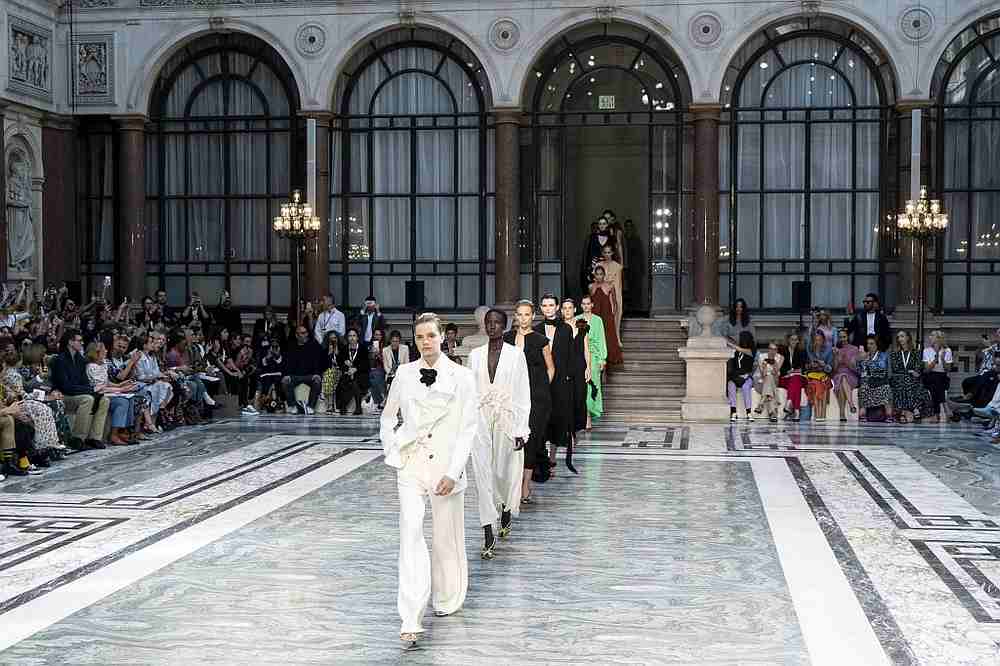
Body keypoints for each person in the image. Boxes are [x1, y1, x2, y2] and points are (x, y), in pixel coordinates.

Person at [379, 312, 478, 648]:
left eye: (431, 336)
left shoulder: (463, 377)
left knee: (445, 538)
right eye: (420, 336)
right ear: (415, 339)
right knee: (411, 533)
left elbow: (468, 429)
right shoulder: (404, 375)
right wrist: (393, 445)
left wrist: (454, 471)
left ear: (442, 337)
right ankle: (410, 617)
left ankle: (448, 596)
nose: (426, 341)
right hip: (411, 465)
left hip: (446, 470)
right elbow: (388, 416)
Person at [468, 309, 531, 560]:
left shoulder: (516, 356)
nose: (492, 326)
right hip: (480, 420)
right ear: (484, 325)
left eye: (497, 323)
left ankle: (505, 509)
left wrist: (520, 429)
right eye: (489, 322)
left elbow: (522, 393)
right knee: (483, 476)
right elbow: (467, 391)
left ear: (505, 327)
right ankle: (487, 533)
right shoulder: (474, 356)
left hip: (506, 420)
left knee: (505, 473)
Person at [504, 300, 554, 503]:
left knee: (531, 440)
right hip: (512, 397)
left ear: (533, 316)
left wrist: (543, 387)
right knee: (512, 439)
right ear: (515, 316)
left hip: (537, 398)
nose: (523, 318)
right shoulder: (506, 339)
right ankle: (513, 483)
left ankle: (525, 484)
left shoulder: (541, 340)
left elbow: (550, 367)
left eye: (527, 314)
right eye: (519, 314)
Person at [49, 329, 111, 450]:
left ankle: (94, 438)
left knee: (104, 400)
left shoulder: (80, 360)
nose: (82, 343)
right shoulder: (59, 360)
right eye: (79, 340)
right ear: (70, 342)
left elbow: (85, 382)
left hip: (77, 393)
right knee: (87, 399)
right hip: (64, 395)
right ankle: (78, 438)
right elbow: (65, 386)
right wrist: (91, 390)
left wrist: (92, 390)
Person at [535, 294, 574, 476]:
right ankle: (541, 457)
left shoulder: (566, 329)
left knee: (557, 418)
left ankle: (552, 458)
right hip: (541, 380)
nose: (548, 308)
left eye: (551, 305)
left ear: (557, 307)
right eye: (545, 305)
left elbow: (570, 356)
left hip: (560, 381)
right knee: (542, 418)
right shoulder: (535, 330)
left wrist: (570, 380)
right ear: (541, 308)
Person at [85, 342, 141, 446]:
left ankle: (123, 430)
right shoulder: (91, 367)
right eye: (103, 350)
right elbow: (100, 387)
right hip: (100, 394)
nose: (106, 351)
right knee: (122, 402)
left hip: (107, 391)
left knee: (131, 398)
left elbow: (106, 382)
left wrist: (120, 386)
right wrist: (121, 390)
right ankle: (114, 435)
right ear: (96, 353)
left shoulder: (103, 364)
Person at [561, 298, 590, 473]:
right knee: (566, 400)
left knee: (579, 399)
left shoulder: (581, 325)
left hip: (579, 367)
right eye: (564, 308)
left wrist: (589, 368)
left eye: (570, 308)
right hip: (564, 368)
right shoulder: (558, 327)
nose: (567, 310)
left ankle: (575, 430)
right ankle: (568, 433)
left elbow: (586, 348)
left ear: (574, 309)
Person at [576, 294, 607, 428]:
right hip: (579, 355)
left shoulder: (598, 320)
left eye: (588, 303)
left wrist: (602, 358)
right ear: (581, 305)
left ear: (592, 305)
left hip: (594, 356)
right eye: (584, 304)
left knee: (593, 384)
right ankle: (584, 413)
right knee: (581, 385)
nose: (586, 306)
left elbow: (601, 338)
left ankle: (590, 412)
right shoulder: (577, 319)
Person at [281, 325, 326, 415]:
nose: (303, 335)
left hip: (310, 376)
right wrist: (286, 375)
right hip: (295, 376)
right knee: (285, 381)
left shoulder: (314, 345)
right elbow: (285, 363)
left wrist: (317, 374)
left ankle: (310, 407)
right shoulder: (291, 346)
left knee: (317, 381)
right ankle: (292, 406)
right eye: (300, 333)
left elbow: (320, 362)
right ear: (296, 335)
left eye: (305, 333)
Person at [890, 330, 932, 423]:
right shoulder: (895, 354)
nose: (899, 339)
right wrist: (910, 371)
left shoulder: (916, 352)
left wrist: (914, 372)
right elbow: (895, 368)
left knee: (912, 384)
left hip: (913, 379)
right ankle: (915, 410)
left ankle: (904, 412)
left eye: (902, 336)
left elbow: (917, 367)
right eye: (898, 337)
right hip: (899, 378)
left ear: (908, 338)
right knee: (905, 382)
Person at [589, 265, 623, 365]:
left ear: (604, 275)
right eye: (597, 274)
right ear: (594, 275)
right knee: (596, 336)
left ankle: (609, 358)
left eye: (601, 274)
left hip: (607, 315)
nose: (599, 276)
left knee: (608, 336)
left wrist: (613, 315)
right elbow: (589, 302)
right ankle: (596, 356)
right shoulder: (591, 287)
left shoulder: (610, 286)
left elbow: (615, 302)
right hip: (595, 314)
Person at [857, 335, 893, 421]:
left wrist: (869, 363)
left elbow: (882, 368)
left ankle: (889, 415)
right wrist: (860, 360)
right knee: (863, 388)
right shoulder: (864, 356)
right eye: (868, 344)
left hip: (880, 380)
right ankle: (862, 414)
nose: (869, 346)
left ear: (877, 345)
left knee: (886, 388)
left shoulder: (883, 355)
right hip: (867, 381)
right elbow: (860, 371)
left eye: (871, 344)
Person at [922, 330, 953, 423]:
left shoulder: (947, 350)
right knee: (935, 382)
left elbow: (948, 369)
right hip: (930, 376)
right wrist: (935, 359)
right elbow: (927, 370)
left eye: (932, 335)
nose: (929, 337)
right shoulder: (926, 350)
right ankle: (944, 405)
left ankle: (936, 414)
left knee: (936, 385)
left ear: (938, 338)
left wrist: (942, 359)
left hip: (942, 377)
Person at [337, 329, 369, 415]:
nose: (352, 338)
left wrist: (355, 369)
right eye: (350, 336)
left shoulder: (363, 349)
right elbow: (339, 362)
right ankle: (342, 406)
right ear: (347, 338)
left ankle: (358, 408)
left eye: (354, 336)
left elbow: (366, 365)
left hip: (360, 374)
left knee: (355, 382)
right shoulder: (344, 349)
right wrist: (345, 366)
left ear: (357, 337)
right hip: (347, 373)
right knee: (344, 381)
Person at [831, 328, 861, 422]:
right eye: (840, 337)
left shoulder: (855, 349)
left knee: (843, 377)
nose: (842, 339)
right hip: (838, 375)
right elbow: (835, 369)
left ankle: (842, 413)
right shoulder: (837, 350)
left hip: (851, 375)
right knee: (841, 378)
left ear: (848, 337)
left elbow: (857, 369)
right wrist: (836, 356)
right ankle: (850, 405)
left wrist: (847, 362)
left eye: (844, 337)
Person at [597, 244, 624, 338]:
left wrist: (616, 300)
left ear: (612, 253)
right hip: (601, 294)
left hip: (613, 293)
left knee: (615, 314)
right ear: (602, 253)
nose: (607, 254)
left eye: (609, 252)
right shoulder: (599, 265)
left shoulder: (618, 267)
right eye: (605, 252)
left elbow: (618, 284)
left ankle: (616, 337)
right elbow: (596, 282)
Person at [779, 332, 808, 421]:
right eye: (792, 339)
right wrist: (788, 371)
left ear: (798, 341)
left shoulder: (802, 352)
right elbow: (780, 368)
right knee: (796, 384)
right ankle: (796, 411)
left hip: (798, 377)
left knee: (796, 379)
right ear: (788, 340)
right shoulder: (782, 351)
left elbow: (804, 367)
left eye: (796, 340)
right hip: (786, 377)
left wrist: (797, 370)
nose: (794, 341)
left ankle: (789, 402)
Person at [727, 332, 756, 421]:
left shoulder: (751, 350)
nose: (742, 340)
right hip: (736, 376)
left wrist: (731, 344)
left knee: (745, 387)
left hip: (747, 376)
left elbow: (741, 349)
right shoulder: (736, 353)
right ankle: (733, 411)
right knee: (730, 385)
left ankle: (748, 412)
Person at [580, 215, 613, 292]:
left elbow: (614, 254)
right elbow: (588, 254)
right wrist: (587, 270)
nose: (602, 226)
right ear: (598, 225)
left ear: (607, 225)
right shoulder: (592, 237)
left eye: (604, 224)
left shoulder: (611, 238)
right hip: (594, 266)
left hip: (607, 266)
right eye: (600, 224)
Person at [805, 331, 833, 421]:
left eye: (820, 340)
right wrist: (811, 365)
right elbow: (805, 367)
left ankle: (822, 414)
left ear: (823, 340)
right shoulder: (809, 351)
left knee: (823, 384)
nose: (818, 342)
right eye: (816, 340)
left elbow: (830, 369)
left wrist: (824, 364)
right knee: (815, 384)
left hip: (823, 375)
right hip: (812, 376)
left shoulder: (828, 351)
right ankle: (818, 413)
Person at [754, 341, 784, 423]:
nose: (772, 351)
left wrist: (774, 363)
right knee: (768, 379)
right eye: (770, 349)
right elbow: (763, 375)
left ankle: (761, 403)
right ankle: (773, 413)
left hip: (774, 380)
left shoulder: (780, 357)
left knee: (770, 377)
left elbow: (775, 373)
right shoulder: (761, 356)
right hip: (760, 382)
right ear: (768, 349)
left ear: (777, 350)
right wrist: (764, 366)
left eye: (775, 349)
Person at [320, 332, 342, 413]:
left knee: (331, 375)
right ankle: (330, 405)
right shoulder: (324, 350)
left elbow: (342, 363)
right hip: (329, 371)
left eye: (335, 338)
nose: (333, 340)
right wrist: (329, 354)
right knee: (328, 374)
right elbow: (323, 365)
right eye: (331, 338)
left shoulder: (342, 348)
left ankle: (332, 405)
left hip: (340, 371)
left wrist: (337, 353)